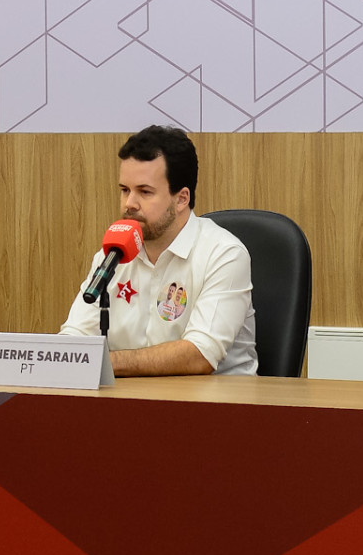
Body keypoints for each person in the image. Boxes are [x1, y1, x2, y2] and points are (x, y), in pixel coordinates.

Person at [61, 125, 257, 376]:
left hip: (216, 406)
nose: (129, 204)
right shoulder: (111, 255)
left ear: (181, 199)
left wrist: (102, 363)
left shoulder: (224, 254)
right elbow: (74, 338)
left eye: (144, 192)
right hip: (131, 402)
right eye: (124, 190)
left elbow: (200, 355)